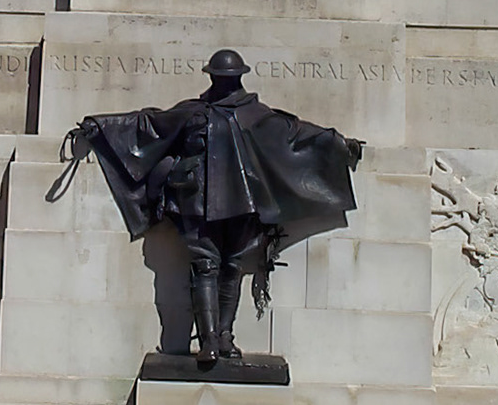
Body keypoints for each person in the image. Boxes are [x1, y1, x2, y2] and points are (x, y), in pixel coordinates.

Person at [73, 49, 364, 364]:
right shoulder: (196, 112)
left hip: (242, 204)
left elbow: (295, 133)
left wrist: (338, 143)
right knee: (208, 266)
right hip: (197, 201)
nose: (224, 82)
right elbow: (149, 124)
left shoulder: (255, 114)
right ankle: (211, 340)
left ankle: (223, 337)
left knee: (231, 267)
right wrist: (100, 128)